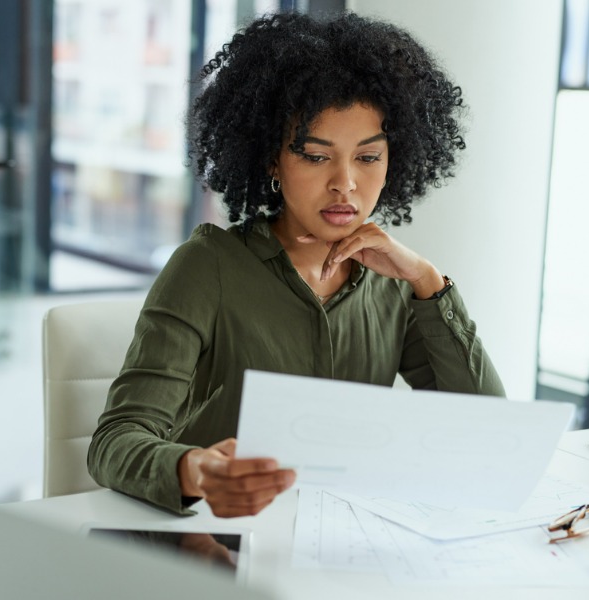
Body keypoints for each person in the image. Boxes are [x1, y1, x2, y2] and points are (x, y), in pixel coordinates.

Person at [87, 11, 505, 518]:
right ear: (271, 159)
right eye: (314, 155)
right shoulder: (207, 267)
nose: (345, 183)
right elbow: (114, 442)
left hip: (346, 540)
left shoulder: (396, 283)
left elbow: (486, 429)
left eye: (368, 158)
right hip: (221, 540)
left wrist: (428, 282)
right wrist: (196, 470)